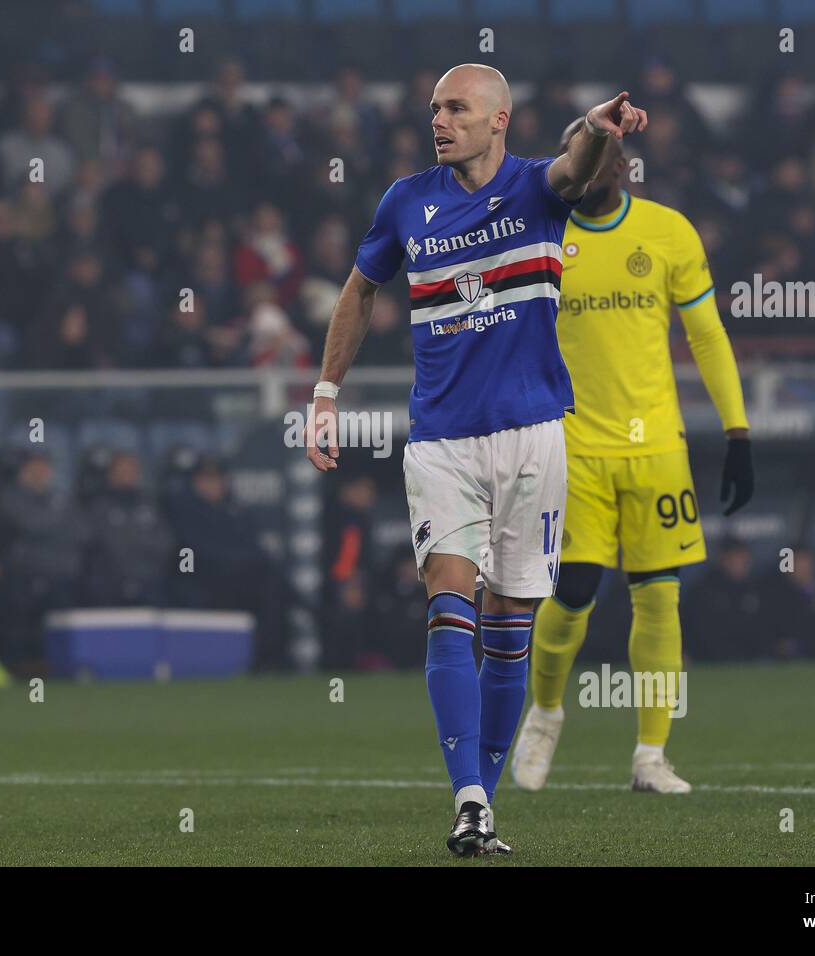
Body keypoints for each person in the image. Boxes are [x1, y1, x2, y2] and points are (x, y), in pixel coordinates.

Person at [304, 63, 647, 857]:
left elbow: (578, 167)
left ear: (499, 119)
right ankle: (466, 797)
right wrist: (325, 392)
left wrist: (597, 127)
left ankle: (480, 808)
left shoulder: (539, 189)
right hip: (440, 441)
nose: (441, 119)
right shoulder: (405, 201)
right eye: (434, 109)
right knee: (449, 605)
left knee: (508, 626)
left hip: (533, 436)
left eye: (457, 108)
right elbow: (360, 291)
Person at [512, 122, 753, 797]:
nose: (587, 171)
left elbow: (706, 332)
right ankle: (547, 710)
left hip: (656, 449)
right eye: (575, 160)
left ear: (621, 168)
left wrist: (738, 432)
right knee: (576, 590)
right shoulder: (541, 234)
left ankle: (652, 755)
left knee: (660, 595)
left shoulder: (668, 232)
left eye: (599, 159)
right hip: (574, 443)